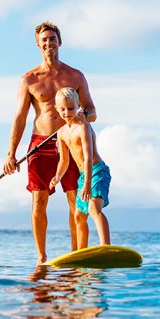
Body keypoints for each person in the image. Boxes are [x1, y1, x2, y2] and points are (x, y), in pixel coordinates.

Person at [3, 22, 96, 265]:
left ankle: (77, 253)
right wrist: (11, 154)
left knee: (75, 199)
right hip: (40, 145)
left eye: (52, 39)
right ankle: (42, 257)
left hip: (70, 142)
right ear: (38, 45)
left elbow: (92, 110)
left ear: (59, 42)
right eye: (44, 40)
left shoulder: (75, 76)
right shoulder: (29, 79)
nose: (48, 44)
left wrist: (83, 116)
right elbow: (20, 117)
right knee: (39, 200)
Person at [49, 87, 111, 249]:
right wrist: (57, 177)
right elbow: (64, 160)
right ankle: (81, 252)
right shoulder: (61, 133)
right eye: (62, 109)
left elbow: (88, 156)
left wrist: (87, 183)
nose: (67, 112)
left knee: (93, 207)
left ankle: (106, 247)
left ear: (78, 107)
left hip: (96, 171)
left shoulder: (83, 127)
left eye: (71, 108)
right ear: (56, 108)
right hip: (84, 175)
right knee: (78, 216)